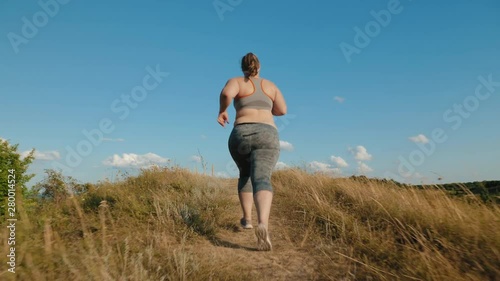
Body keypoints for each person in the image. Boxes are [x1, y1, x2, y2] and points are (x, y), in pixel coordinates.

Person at [217, 52, 287, 251]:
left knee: (245, 174)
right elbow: (282, 110)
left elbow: (225, 94)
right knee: (262, 178)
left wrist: (223, 110)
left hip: (241, 132)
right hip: (267, 133)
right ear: (259, 67)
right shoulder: (270, 85)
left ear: (242, 67)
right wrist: (266, 106)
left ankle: (247, 219)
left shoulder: (237, 81)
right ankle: (262, 223)